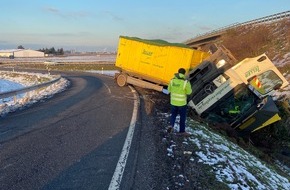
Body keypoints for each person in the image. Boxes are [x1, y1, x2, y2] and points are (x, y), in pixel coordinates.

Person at [167, 68, 192, 136]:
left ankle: (171, 126)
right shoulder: (186, 82)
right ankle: (182, 131)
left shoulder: (172, 81)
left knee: (173, 115)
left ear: (178, 72)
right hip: (182, 103)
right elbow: (189, 92)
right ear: (184, 73)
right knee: (182, 117)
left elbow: (168, 90)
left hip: (173, 102)